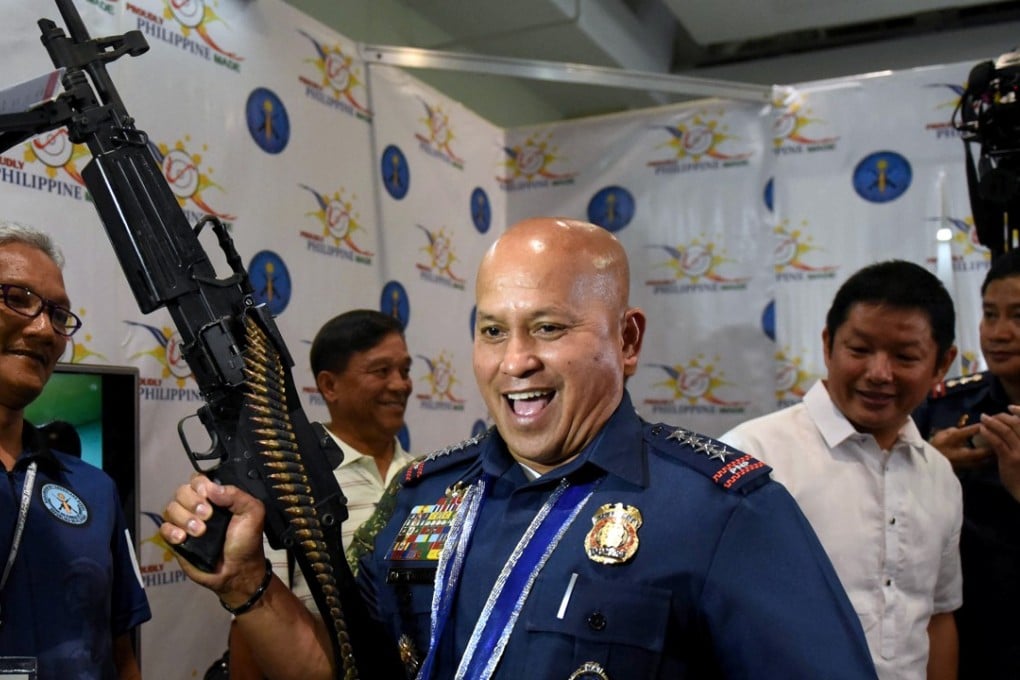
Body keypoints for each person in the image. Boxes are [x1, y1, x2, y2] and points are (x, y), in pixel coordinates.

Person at [161, 217, 878, 679]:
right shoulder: (423, 499)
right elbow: (345, 671)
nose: (516, 361)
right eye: (494, 330)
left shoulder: (727, 512)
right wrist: (246, 586)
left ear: (626, 340)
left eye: (549, 328)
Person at [721, 260, 963, 680]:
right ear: (828, 343)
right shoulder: (752, 456)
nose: (878, 373)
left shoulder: (939, 474)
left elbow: (937, 617)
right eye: (860, 350)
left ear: (942, 365)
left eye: (905, 356)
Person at [0, 221, 150, 679]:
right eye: (17, 298)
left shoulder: (94, 488)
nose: (46, 330)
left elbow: (121, 653)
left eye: (59, 315)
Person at [228, 309, 414, 679]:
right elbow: (252, 621)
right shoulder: (290, 483)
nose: (401, 385)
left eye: (405, 370)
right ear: (329, 386)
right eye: (381, 371)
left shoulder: (425, 477)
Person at [912, 247, 1020, 679]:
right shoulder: (942, 407)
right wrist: (926, 467)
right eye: (990, 314)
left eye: (1018, 316)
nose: (999, 332)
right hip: (957, 630)